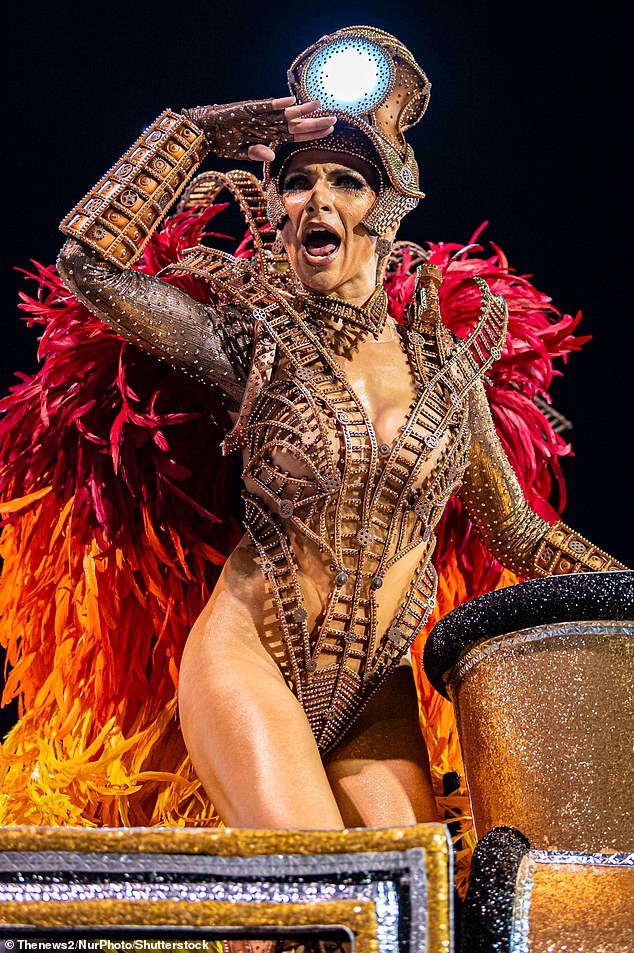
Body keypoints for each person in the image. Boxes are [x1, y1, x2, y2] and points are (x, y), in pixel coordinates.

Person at [53, 26, 625, 835]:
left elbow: (522, 534)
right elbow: (89, 265)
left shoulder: (445, 375)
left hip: (376, 698)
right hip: (250, 657)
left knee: (413, 901)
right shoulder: (251, 344)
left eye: (346, 181)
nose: (317, 198)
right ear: (279, 212)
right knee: (322, 882)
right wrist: (208, 131)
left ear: (385, 213)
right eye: (298, 182)